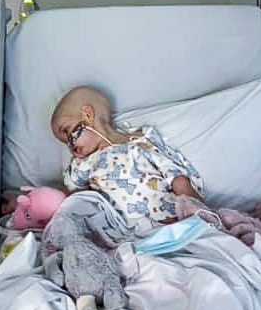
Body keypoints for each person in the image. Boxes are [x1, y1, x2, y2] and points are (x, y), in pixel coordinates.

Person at [50, 86, 203, 224]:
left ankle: (203, 222)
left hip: (169, 221)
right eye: (65, 144)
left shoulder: (142, 141)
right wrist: (43, 200)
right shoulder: (83, 164)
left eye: (68, 133)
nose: (71, 148)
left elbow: (173, 172)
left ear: (87, 115)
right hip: (121, 231)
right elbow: (66, 197)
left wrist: (196, 205)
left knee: (186, 195)